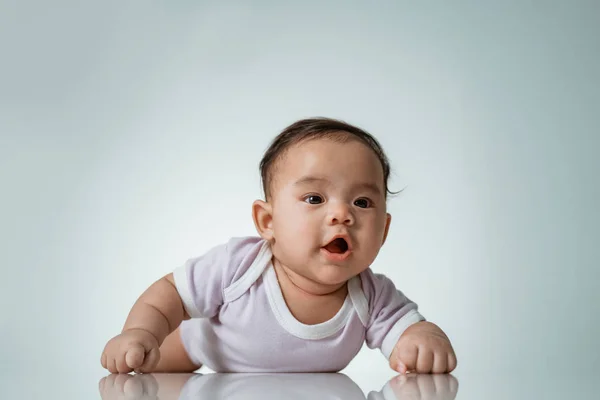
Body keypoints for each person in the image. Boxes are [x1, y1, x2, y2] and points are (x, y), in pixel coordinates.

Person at [101, 117, 457, 375]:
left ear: (383, 231)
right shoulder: (239, 266)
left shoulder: (372, 296)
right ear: (267, 222)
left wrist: (424, 339)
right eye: (315, 198)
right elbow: (171, 295)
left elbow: (407, 330)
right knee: (150, 364)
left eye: (362, 202)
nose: (342, 214)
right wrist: (140, 333)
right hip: (200, 347)